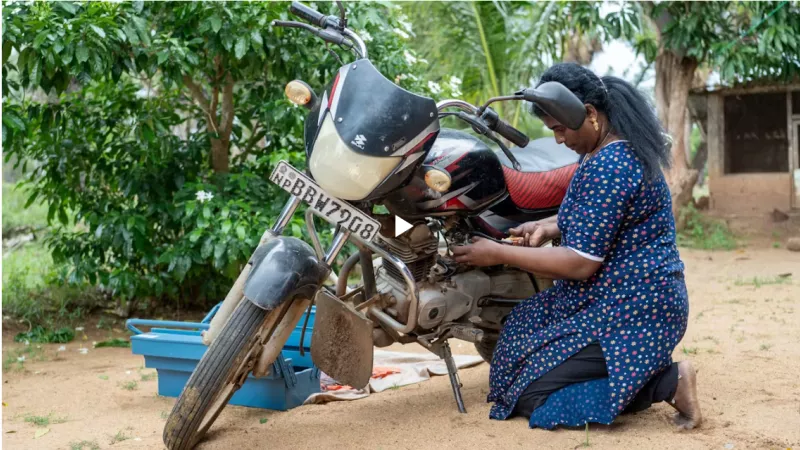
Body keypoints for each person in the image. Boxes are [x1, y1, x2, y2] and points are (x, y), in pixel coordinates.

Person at [452, 62, 701, 430]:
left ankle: (670, 381)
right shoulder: (605, 152)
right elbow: (604, 217)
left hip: (635, 309)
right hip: (612, 298)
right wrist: (548, 225)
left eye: (559, 129)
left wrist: (497, 253)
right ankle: (637, 372)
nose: (557, 139)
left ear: (589, 114)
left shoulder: (613, 164)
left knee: (530, 396)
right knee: (518, 336)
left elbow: (581, 263)